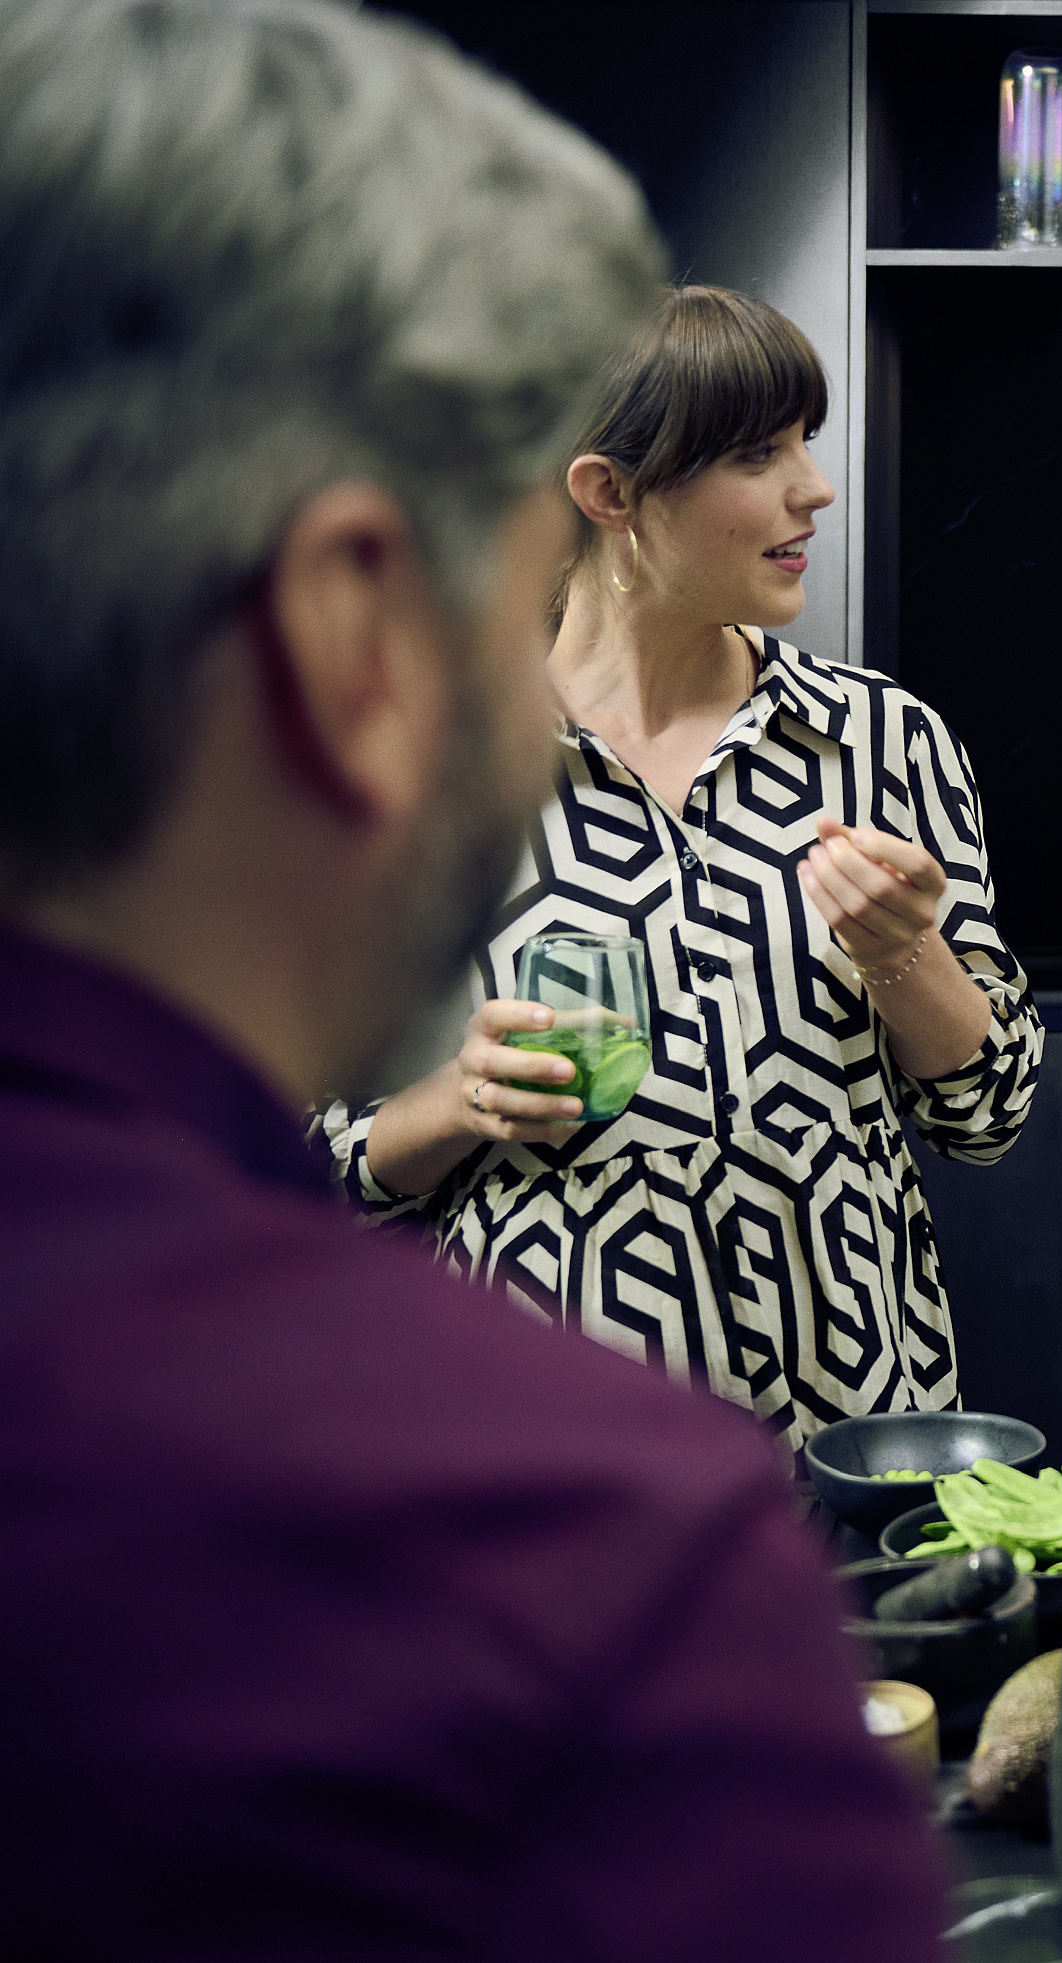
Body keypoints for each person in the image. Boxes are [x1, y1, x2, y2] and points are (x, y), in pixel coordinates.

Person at [0, 3, 941, 1955]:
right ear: (358, 629)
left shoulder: (881, 736)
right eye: (501, 570)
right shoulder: (597, 1568)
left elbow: (982, 1089)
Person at [319, 286, 1041, 1445]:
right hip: (547, 1459)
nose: (815, 487)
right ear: (609, 493)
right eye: (759, 454)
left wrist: (908, 954)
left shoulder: (882, 743)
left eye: (806, 441)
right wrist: (457, 1099)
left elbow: (991, 1111)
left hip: (856, 1444)